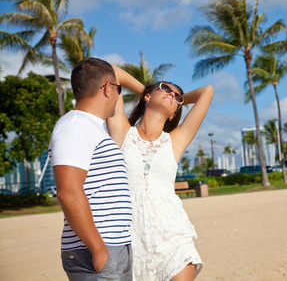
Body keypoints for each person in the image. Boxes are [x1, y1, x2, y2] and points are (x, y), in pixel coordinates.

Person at [106, 64, 214, 280]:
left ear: (175, 112)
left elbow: (207, 91)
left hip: (173, 237)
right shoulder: (122, 133)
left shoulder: (175, 141)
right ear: (147, 97)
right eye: (165, 88)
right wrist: (145, 89)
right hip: (131, 240)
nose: (171, 95)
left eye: (177, 97)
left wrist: (173, 98)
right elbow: (111, 72)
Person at [48, 58, 133, 280]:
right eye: (118, 89)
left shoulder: (92, 128)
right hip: (95, 249)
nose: (119, 95)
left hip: (114, 246)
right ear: (107, 89)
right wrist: (98, 249)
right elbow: (68, 192)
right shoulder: (76, 125)